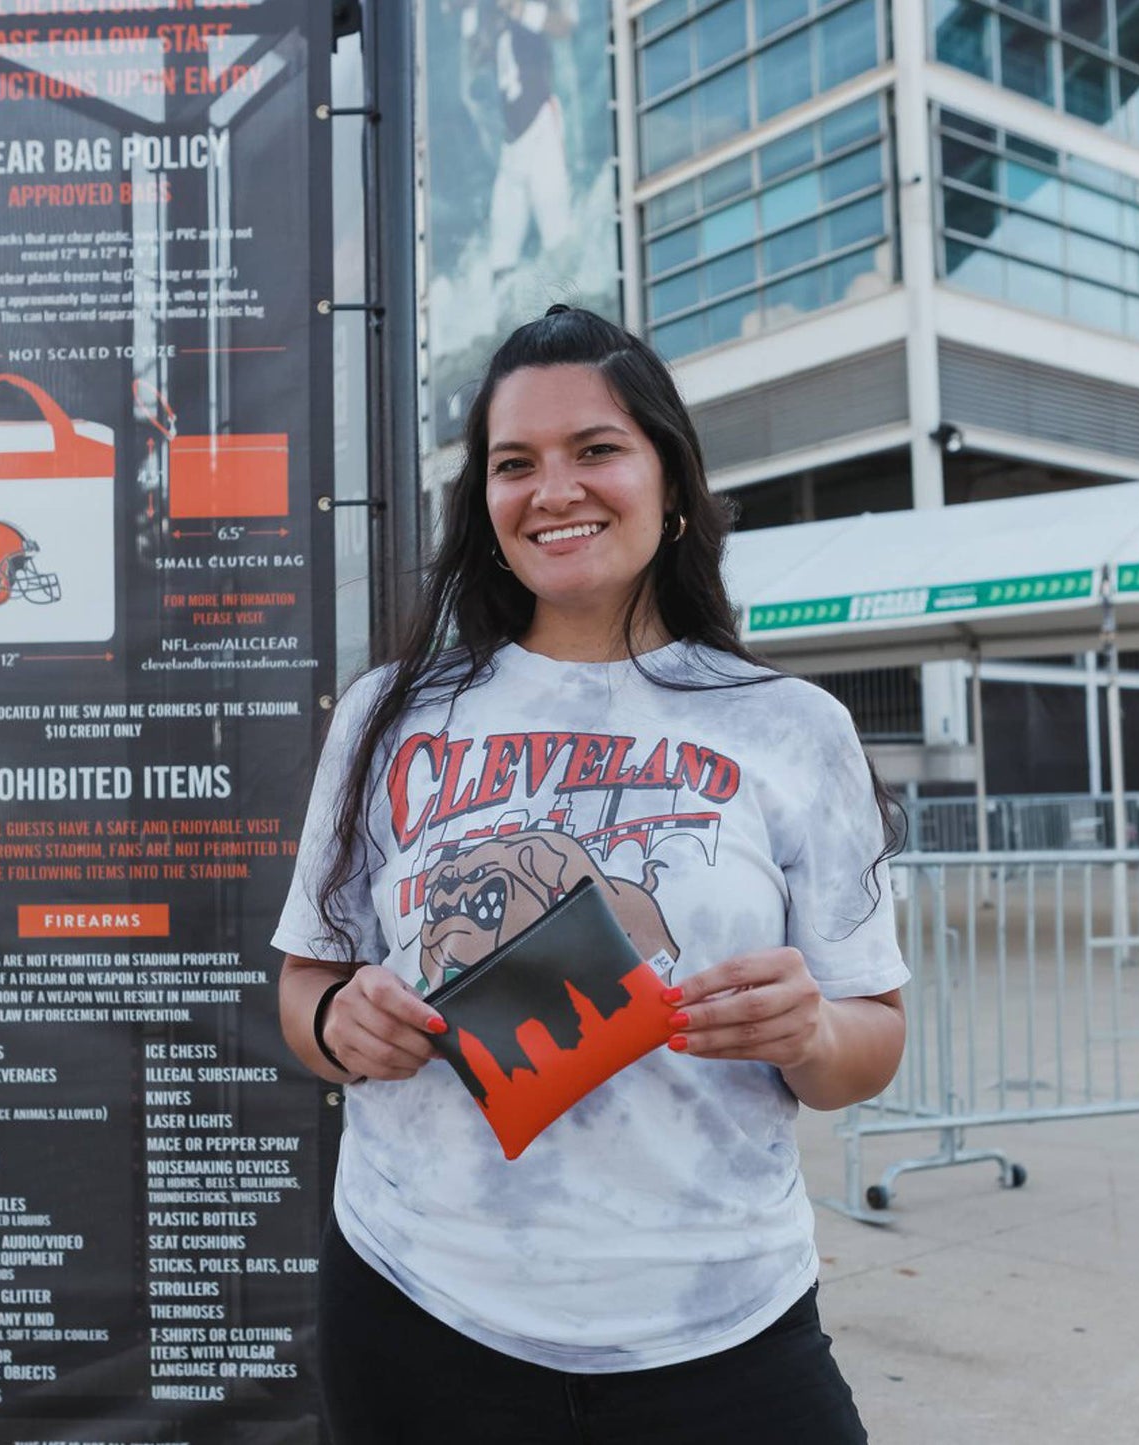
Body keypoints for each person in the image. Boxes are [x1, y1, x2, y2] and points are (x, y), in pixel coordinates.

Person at [273, 306, 908, 1444]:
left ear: (671, 482)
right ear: (485, 505)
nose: (550, 488)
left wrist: (809, 1030)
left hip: (721, 1320)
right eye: (513, 463)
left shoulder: (791, 726)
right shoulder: (386, 715)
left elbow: (869, 1042)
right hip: (421, 1306)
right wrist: (337, 1020)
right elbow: (304, 990)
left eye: (595, 449)